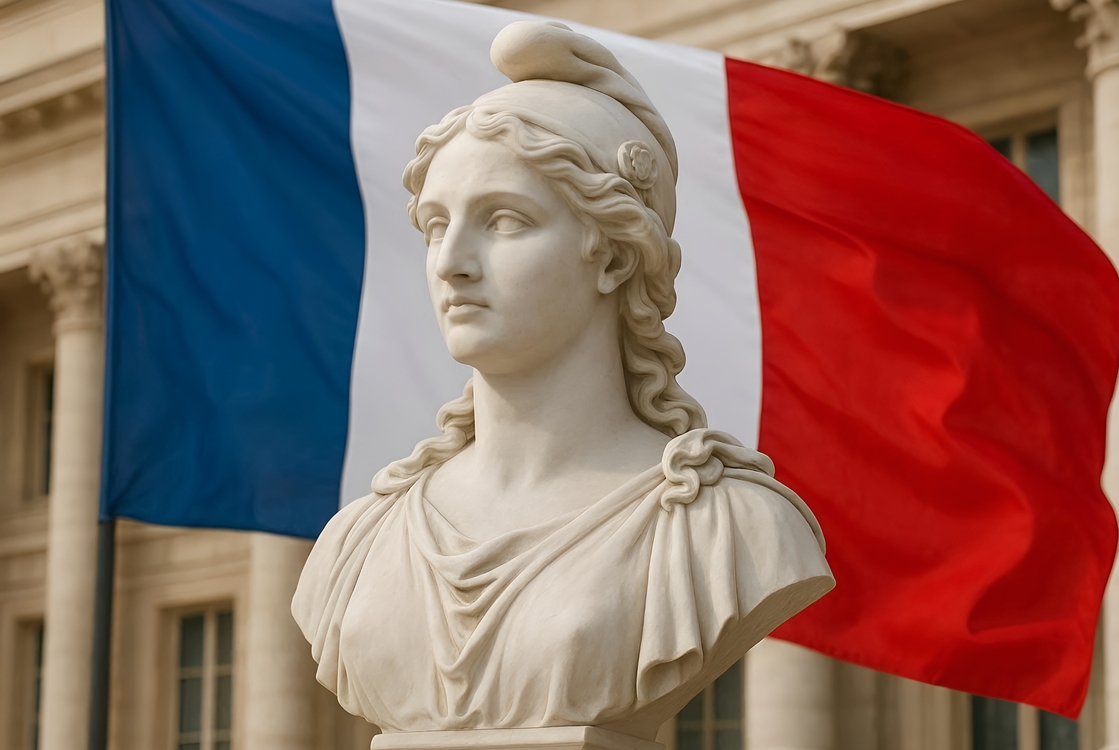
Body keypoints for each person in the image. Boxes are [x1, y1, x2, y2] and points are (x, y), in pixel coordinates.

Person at [292, 20, 832, 742]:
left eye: (504, 221)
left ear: (611, 259)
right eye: (434, 225)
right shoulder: (355, 545)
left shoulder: (730, 527)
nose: (452, 262)